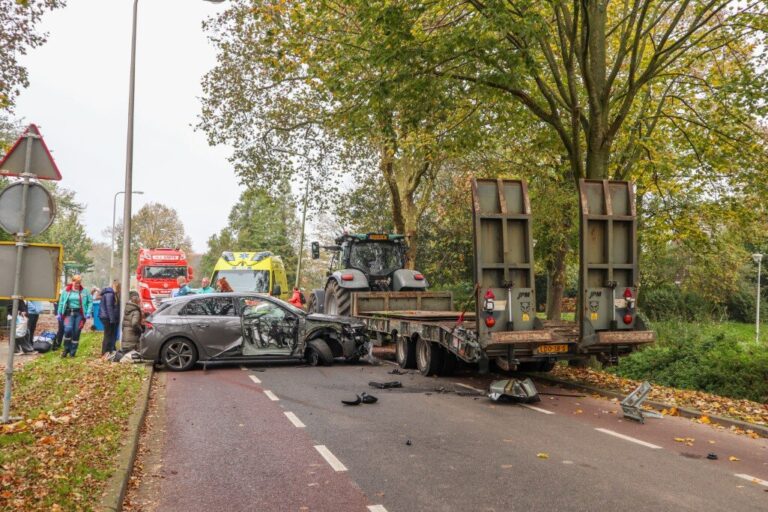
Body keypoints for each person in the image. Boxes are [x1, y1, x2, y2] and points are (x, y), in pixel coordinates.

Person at [56, 275, 93, 358]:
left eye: (79, 283)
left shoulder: (84, 291)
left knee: (76, 332)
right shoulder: (66, 291)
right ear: (72, 282)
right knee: (68, 330)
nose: (77, 285)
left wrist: (88, 312)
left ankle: (73, 352)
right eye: (76, 283)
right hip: (69, 313)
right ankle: (66, 349)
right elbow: (61, 302)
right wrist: (59, 312)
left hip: (79, 314)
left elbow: (90, 301)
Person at [99, 280, 120, 354]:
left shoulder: (111, 293)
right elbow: (109, 307)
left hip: (108, 317)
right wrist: (112, 319)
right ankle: (105, 351)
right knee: (108, 334)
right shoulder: (110, 294)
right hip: (107, 317)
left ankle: (110, 350)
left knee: (110, 334)